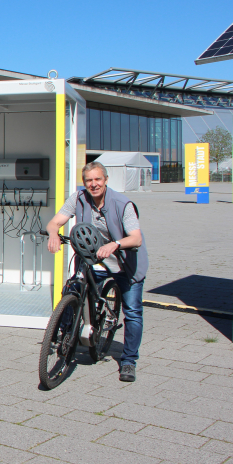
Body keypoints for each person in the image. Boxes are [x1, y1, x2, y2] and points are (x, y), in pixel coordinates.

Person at [46, 161, 148, 383]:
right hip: (94, 260)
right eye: (89, 180)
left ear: (106, 180)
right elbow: (55, 222)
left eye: (97, 179)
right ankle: (63, 338)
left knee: (132, 312)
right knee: (72, 290)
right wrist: (54, 233)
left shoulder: (122, 204)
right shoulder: (79, 198)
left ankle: (129, 361)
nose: (93, 184)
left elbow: (136, 238)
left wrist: (116, 244)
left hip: (124, 263)